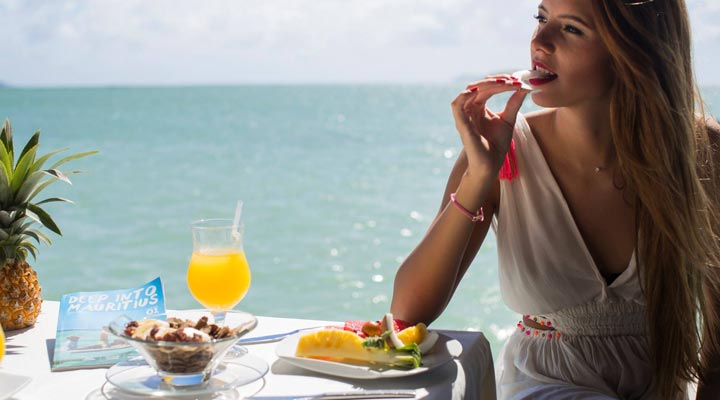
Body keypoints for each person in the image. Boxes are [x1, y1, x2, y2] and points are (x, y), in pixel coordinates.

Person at [390, 0, 720, 398]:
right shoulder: (503, 150)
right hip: (544, 386)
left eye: (571, 29)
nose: (539, 42)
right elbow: (408, 313)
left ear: (631, 51)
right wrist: (479, 176)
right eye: (542, 18)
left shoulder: (701, 153)